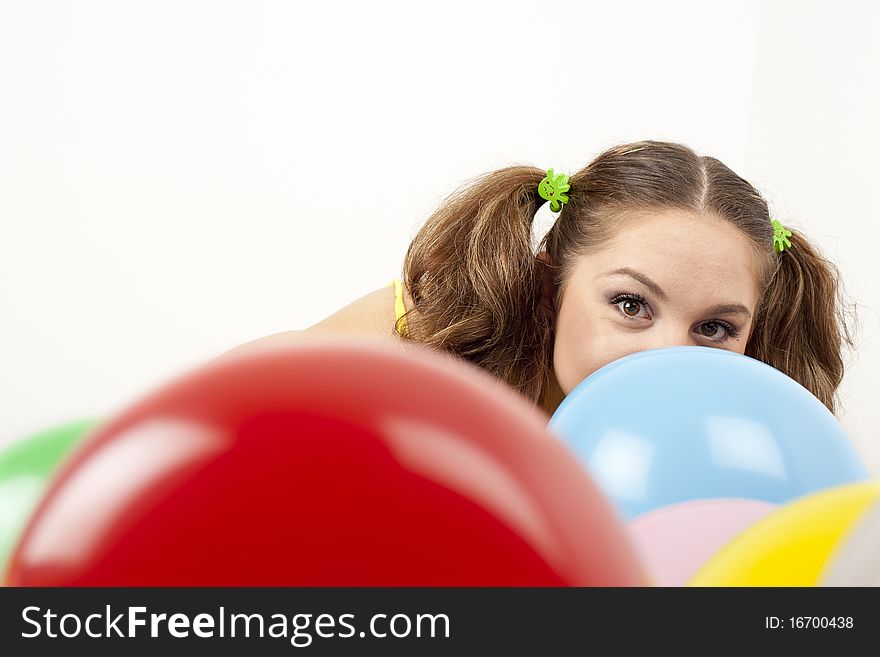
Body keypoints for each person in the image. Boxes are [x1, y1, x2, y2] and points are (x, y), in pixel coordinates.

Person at [221, 140, 854, 420]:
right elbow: (220, 407)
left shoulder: (750, 425)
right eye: (631, 304)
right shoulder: (431, 343)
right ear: (549, 284)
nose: (669, 357)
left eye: (714, 327)